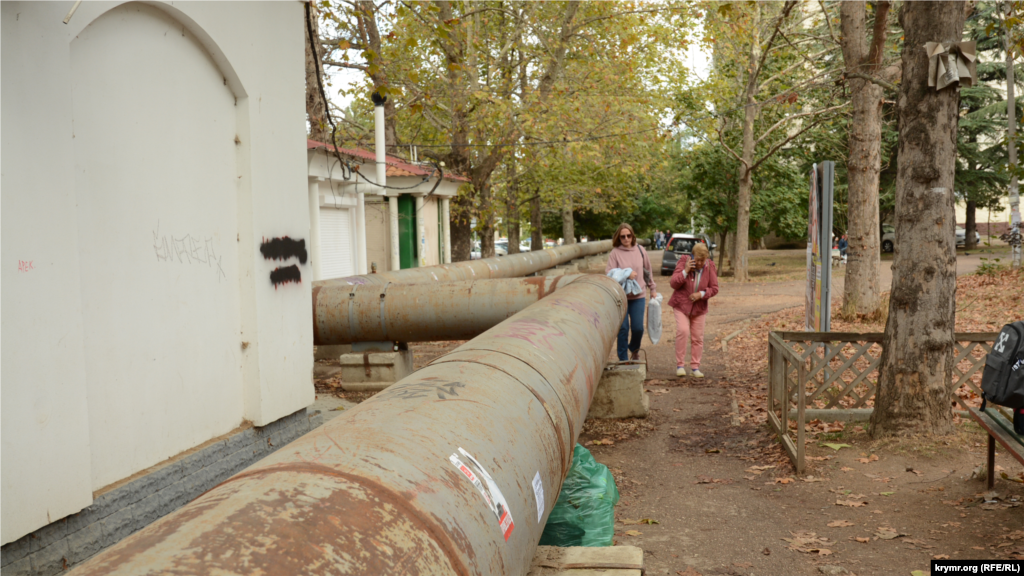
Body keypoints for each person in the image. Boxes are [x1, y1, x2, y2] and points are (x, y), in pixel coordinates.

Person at [606, 223, 657, 361]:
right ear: (619, 238)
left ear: (632, 236)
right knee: (623, 329)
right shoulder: (615, 253)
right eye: (623, 237)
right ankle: (623, 359)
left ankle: (634, 349)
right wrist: (625, 274)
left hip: (638, 295)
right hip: (621, 297)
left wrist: (653, 288)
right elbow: (610, 273)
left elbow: (648, 271)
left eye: (628, 236)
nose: (626, 239)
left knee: (638, 328)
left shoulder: (640, 250)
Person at [668, 243, 718, 378]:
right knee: (683, 331)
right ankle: (680, 365)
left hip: (699, 307)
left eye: (703, 260)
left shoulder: (709, 266)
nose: (701, 263)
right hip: (681, 304)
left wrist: (701, 294)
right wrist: (685, 271)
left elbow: (714, 288)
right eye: (698, 260)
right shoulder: (684, 261)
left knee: (698, 337)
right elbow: (673, 283)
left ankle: (695, 367)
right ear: (692, 256)